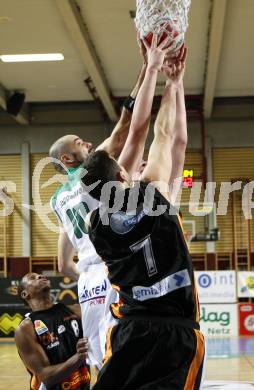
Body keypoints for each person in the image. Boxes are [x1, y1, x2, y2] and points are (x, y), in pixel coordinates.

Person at [81, 36, 205, 389]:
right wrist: (173, 80)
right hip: (175, 330)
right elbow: (163, 136)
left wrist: (156, 72)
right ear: (122, 174)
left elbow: (138, 138)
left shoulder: (95, 225)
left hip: (129, 329)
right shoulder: (155, 193)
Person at [49, 62, 150, 369]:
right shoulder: (88, 174)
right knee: (132, 349)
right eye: (81, 143)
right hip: (115, 266)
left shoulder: (56, 199)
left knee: (98, 359)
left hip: (89, 278)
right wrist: (145, 72)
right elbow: (122, 131)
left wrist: (89, 273)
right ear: (67, 158)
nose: (89, 144)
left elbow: (63, 264)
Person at [15, 273, 90, 390]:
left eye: (40, 275)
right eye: (32, 278)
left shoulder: (75, 310)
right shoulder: (25, 329)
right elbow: (46, 377)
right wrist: (78, 357)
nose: (40, 276)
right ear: (25, 294)